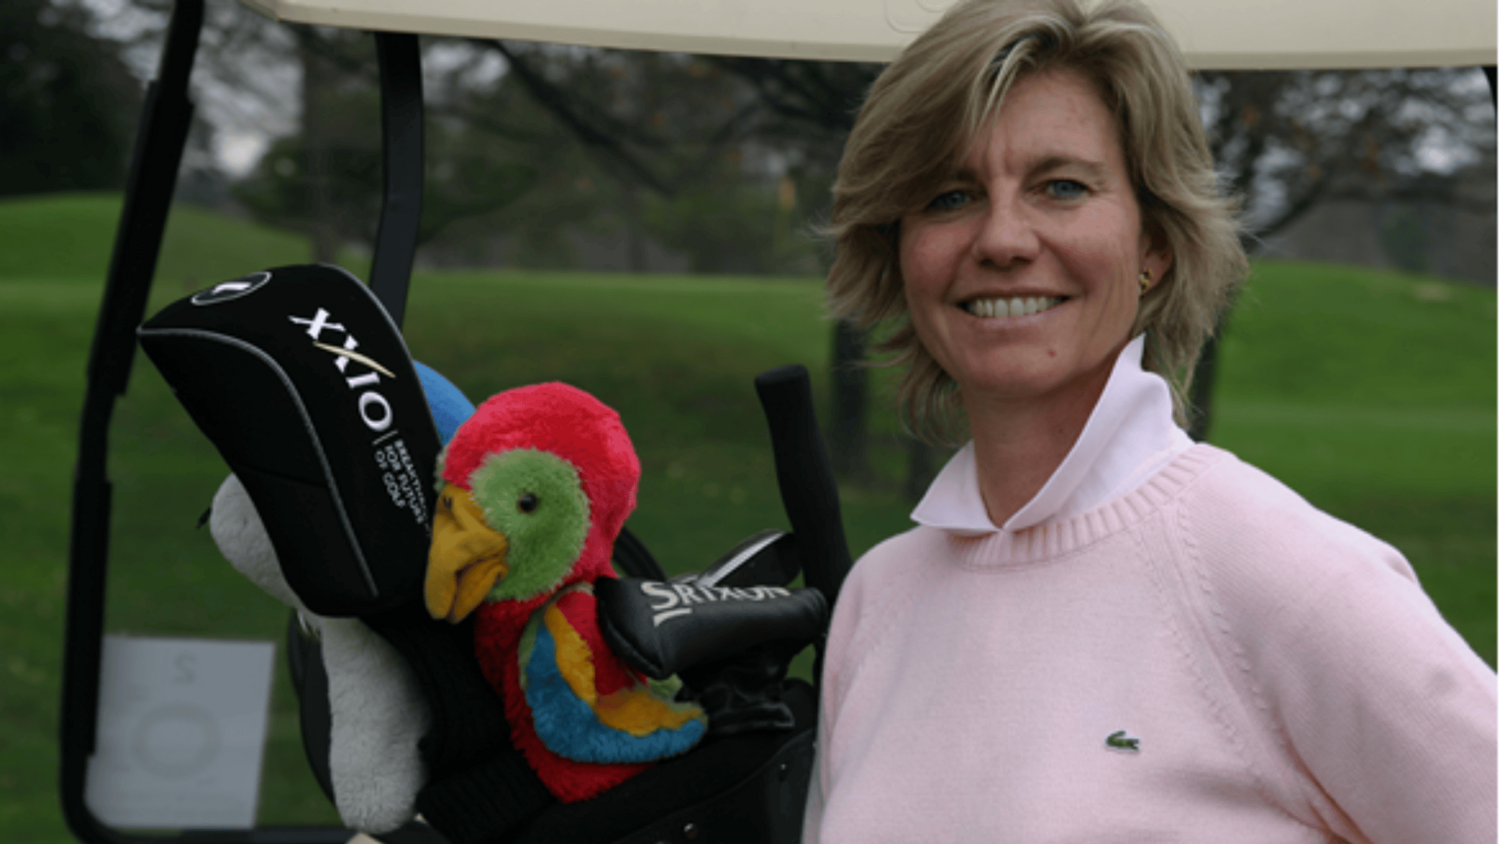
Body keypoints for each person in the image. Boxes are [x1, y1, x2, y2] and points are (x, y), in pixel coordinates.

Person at [801, 0, 1498, 841]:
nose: (1002, 238)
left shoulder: (1278, 572)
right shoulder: (878, 600)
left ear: (1154, 245)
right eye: (949, 196)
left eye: (1062, 187)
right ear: (900, 249)